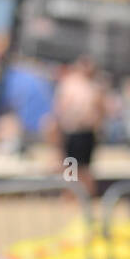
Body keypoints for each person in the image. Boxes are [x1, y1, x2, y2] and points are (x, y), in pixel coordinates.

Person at [52, 58, 107, 197]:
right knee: (72, 166)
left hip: (85, 132)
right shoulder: (72, 84)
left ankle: (84, 196)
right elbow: (61, 109)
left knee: (83, 168)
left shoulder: (93, 86)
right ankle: (70, 195)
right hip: (73, 131)